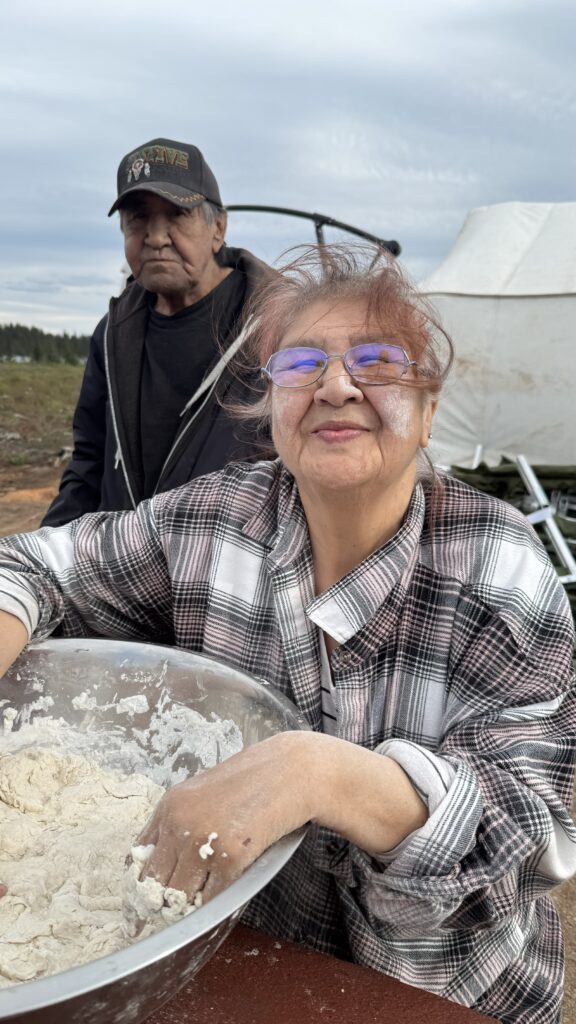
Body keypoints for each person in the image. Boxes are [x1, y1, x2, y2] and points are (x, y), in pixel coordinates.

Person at [1, 244, 575, 1024]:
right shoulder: (212, 520)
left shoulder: (502, 573)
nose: (337, 385)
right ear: (269, 403)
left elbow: (532, 832)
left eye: (377, 362)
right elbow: (40, 565)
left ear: (431, 407)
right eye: (302, 365)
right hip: (250, 962)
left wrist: (322, 773)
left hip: (445, 993)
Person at [42, 137, 272, 527]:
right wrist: (42, 557)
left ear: (218, 227)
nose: (155, 237)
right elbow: (89, 464)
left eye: (177, 216)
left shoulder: (275, 323)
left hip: (232, 573)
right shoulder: (114, 334)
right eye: (138, 219)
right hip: (125, 568)